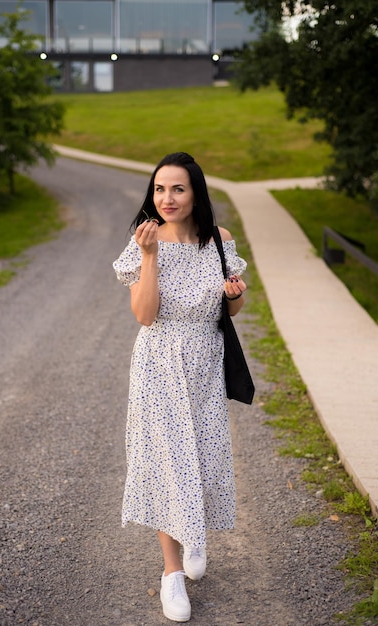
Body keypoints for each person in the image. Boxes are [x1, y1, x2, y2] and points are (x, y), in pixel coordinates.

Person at [113, 152, 248, 623]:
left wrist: (235, 296)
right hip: (158, 365)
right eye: (159, 189)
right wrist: (149, 256)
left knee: (203, 456)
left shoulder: (219, 241)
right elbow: (145, 315)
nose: (166, 199)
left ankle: (195, 534)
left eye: (177, 189)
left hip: (206, 364)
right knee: (168, 461)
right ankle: (172, 574)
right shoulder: (144, 242)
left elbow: (228, 311)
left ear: (196, 193)